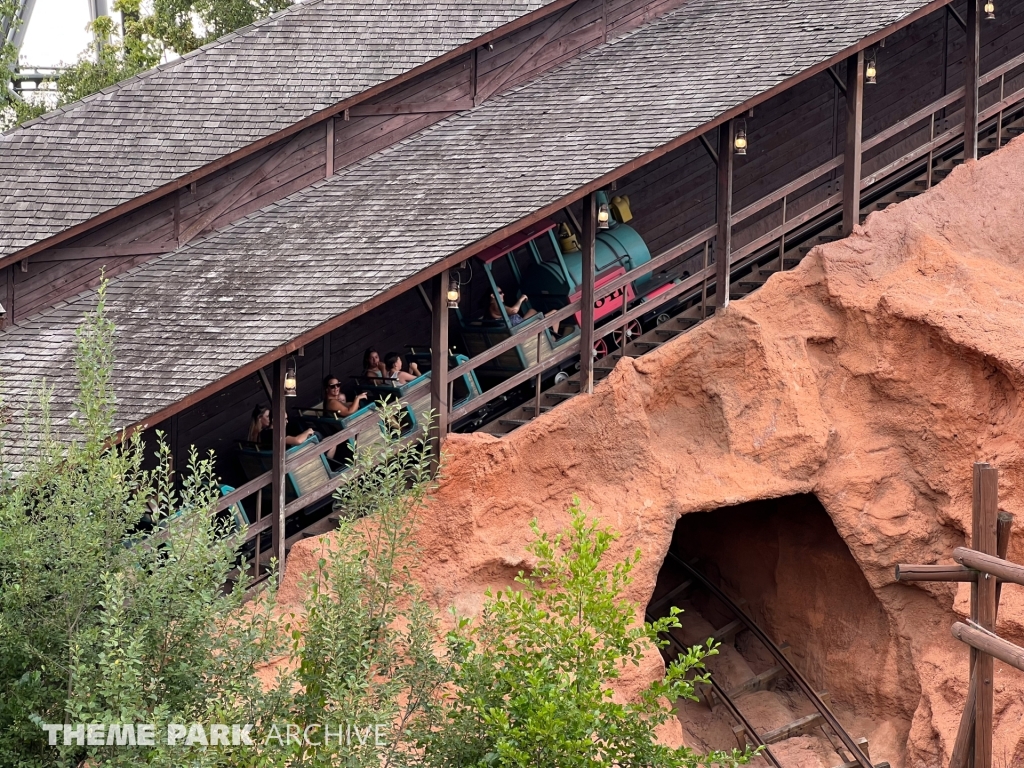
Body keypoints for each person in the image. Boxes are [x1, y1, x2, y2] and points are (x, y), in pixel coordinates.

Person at [247, 404, 318, 449]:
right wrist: (308, 431)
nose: (287, 421)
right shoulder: (273, 434)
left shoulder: (263, 434)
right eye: (268, 416)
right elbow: (297, 440)